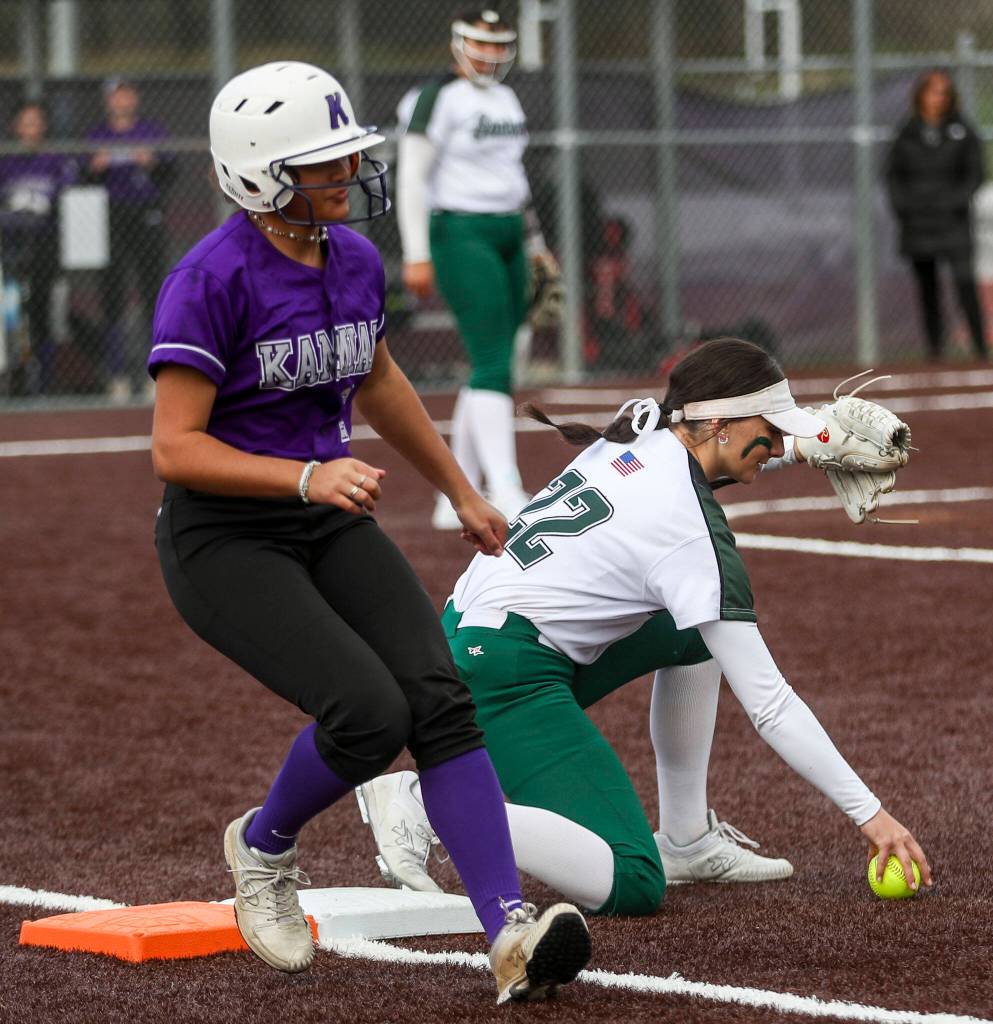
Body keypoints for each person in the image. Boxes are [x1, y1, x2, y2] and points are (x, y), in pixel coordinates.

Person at [148, 61, 591, 1004]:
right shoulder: (209, 278)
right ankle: (262, 849)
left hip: (322, 514)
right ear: (262, 173)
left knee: (437, 699)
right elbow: (175, 450)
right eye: (324, 158)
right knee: (366, 713)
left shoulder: (350, 257)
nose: (350, 166)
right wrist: (306, 472)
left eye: (348, 151)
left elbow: (378, 379)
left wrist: (462, 492)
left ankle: (507, 929)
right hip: (223, 536)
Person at [357, 338, 932, 915]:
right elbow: (771, 705)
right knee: (633, 881)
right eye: (774, 429)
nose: (780, 443)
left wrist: (810, 444)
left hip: (483, 632)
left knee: (695, 633)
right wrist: (873, 816)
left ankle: (687, 839)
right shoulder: (685, 526)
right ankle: (429, 804)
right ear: (720, 424)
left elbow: (706, 460)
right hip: (504, 674)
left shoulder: (648, 425)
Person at [395, 8, 558, 529]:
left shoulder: (505, 98)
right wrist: (416, 250)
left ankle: (454, 493)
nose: (489, 53)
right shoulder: (435, 97)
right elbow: (412, 176)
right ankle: (505, 486)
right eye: (479, 43)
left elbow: (513, 175)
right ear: (458, 43)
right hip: (461, 231)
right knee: (493, 361)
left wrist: (535, 240)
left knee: (502, 356)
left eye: (496, 44)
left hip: (508, 229)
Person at [885, 69, 989, 360]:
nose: (938, 98)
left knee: (964, 282)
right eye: (933, 91)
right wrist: (904, 207)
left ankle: (980, 349)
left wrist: (954, 201)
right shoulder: (907, 132)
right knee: (927, 289)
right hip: (918, 223)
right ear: (921, 95)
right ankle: (935, 352)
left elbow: (974, 173)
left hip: (952, 222)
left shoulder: (961, 130)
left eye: (944, 92)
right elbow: (893, 176)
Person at [87, 78, 173, 401]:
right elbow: (80, 172)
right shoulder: (97, 135)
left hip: (145, 215)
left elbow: (171, 171)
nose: (122, 99)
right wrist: (94, 167)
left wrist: (151, 162)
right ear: (108, 99)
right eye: (116, 94)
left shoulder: (151, 131)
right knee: (112, 297)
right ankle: (117, 375)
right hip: (110, 217)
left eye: (127, 92)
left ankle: (155, 375)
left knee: (154, 294)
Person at [0, 101, 77, 394]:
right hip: (11, 250)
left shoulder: (55, 159)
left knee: (42, 314)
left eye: (36, 122)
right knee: (13, 315)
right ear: (17, 127)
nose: (31, 129)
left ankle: (43, 382)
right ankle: (15, 380)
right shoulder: (6, 161)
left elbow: (66, 195)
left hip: (45, 247)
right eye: (26, 123)